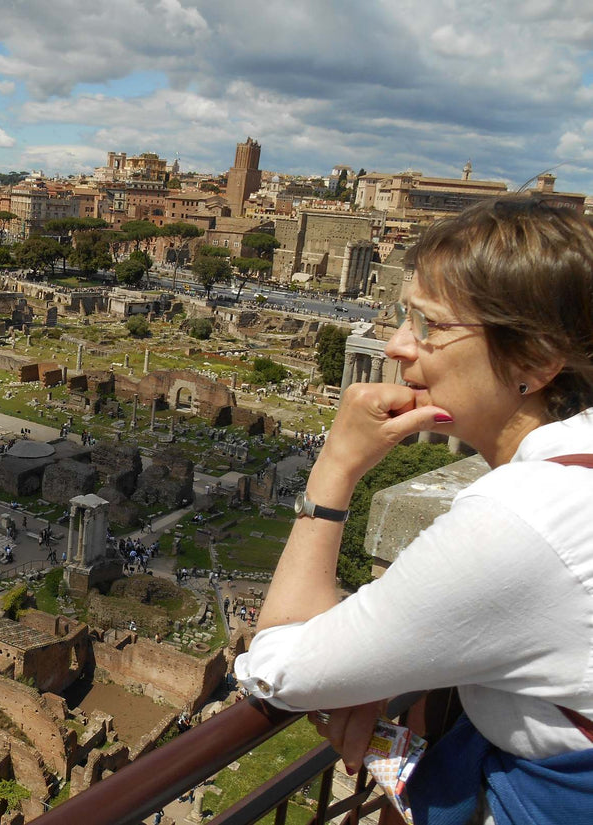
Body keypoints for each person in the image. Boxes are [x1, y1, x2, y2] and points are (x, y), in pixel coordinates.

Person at [234, 196, 593, 825]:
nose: (398, 346)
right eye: (404, 318)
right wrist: (377, 664)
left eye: (428, 325)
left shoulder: (522, 519)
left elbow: (276, 668)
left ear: (535, 361)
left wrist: (336, 466)